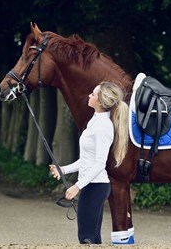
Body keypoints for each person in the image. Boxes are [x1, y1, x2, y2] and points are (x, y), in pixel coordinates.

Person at [50, 81, 129, 244]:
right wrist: (63, 170)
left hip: (96, 186)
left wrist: (77, 186)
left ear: (100, 101)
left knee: (86, 237)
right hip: (92, 186)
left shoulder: (103, 127)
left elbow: (99, 163)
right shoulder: (95, 122)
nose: (89, 95)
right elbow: (87, 159)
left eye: (93, 94)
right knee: (91, 237)